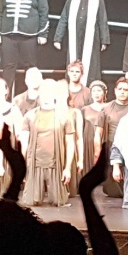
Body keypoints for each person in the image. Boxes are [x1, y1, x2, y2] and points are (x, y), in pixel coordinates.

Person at [23, 79, 80, 208]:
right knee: (31, 202)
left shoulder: (64, 116)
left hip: (56, 163)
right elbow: (24, 144)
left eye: (49, 92)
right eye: (44, 92)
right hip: (35, 163)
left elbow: (70, 143)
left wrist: (67, 168)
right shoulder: (30, 116)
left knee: (58, 201)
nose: (46, 95)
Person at [0, 0, 51, 90]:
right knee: (8, 66)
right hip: (8, 35)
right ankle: (5, 96)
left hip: (29, 36)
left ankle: (32, 96)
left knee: (30, 67)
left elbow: (44, 12)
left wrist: (43, 34)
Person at [52, 0, 111, 86]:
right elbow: (63, 19)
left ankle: (89, 91)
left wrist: (104, 40)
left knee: (91, 66)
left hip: (92, 41)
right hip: (74, 39)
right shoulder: (71, 0)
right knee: (73, 62)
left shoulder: (99, 0)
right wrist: (57, 39)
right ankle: (72, 90)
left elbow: (102, 21)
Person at [98, 75, 128, 198]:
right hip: (111, 147)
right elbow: (98, 132)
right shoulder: (106, 108)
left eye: (125, 89)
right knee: (113, 190)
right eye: (120, 89)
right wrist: (98, 152)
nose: (122, 92)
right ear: (115, 91)